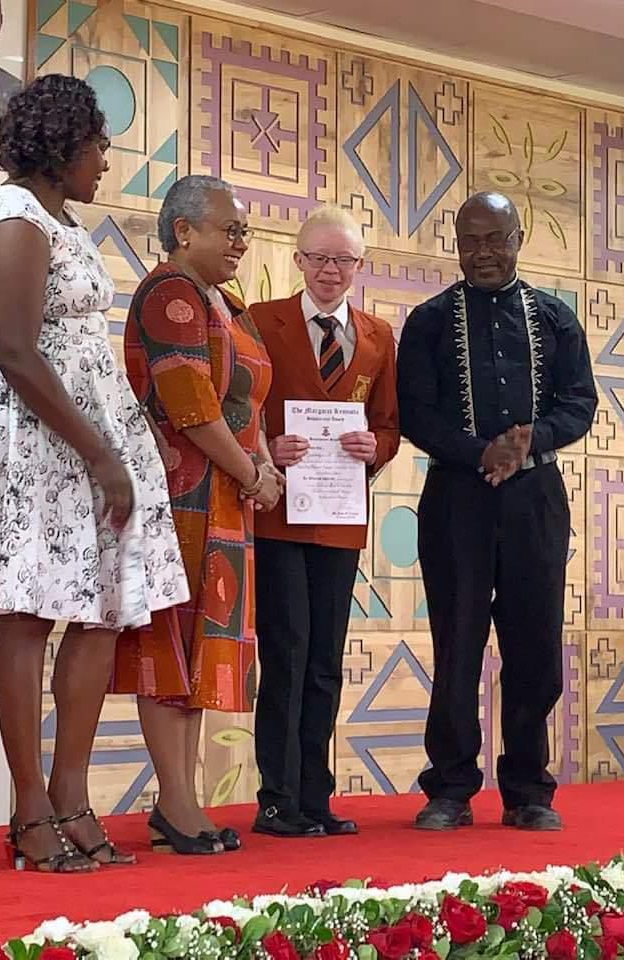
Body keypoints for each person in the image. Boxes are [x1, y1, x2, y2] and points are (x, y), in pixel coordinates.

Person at [0, 74, 189, 872]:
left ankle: (72, 795)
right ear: (61, 144)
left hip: (88, 436)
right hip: (34, 440)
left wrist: (126, 436)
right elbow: (15, 351)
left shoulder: (62, 218)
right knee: (31, 613)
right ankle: (28, 806)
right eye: (99, 144)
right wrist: (101, 452)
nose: (106, 160)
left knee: (103, 611)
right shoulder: (11, 217)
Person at [397, 191, 597, 832]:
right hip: (457, 496)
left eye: (494, 238)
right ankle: (450, 788)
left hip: (535, 497)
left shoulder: (556, 318)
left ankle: (529, 791)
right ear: (457, 244)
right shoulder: (428, 321)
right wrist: (480, 450)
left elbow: (581, 403)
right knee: (456, 640)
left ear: (519, 236)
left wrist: (527, 441)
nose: (482, 252)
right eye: (470, 240)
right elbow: (416, 412)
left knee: (533, 640)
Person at [113, 175, 283, 855]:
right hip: (181, 495)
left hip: (225, 495)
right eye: (229, 229)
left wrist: (264, 464)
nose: (241, 241)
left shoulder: (229, 303)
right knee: (170, 644)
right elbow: (190, 404)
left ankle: (180, 803)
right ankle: (178, 805)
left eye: (244, 231)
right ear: (183, 231)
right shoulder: (169, 293)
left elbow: (251, 398)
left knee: (197, 648)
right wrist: (251, 473)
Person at [249, 207, 400, 838]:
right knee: (285, 653)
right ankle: (276, 798)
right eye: (319, 258)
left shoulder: (376, 335)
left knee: (325, 663)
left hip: (341, 520)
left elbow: (388, 425)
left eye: (343, 260)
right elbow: (243, 408)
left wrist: (376, 450)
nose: (331, 270)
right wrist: (266, 448)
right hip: (280, 514)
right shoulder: (261, 322)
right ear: (298, 260)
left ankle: (317, 795)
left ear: (358, 267)